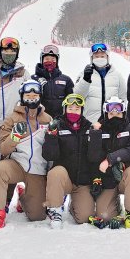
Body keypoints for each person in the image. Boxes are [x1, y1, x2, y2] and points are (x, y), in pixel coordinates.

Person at [0, 80, 52, 229]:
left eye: (35, 95)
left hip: (37, 168)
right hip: (16, 164)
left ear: (40, 96)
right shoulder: (12, 118)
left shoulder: (47, 119)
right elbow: (3, 149)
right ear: (22, 97)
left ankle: (23, 198)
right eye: (27, 95)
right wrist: (15, 136)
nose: (31, 98)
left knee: (37, 216)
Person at [87, 96, 130, 229]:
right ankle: (116, 205)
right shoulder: (98, 129)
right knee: (104, 215)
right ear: (105, 113)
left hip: (126, 176)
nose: (115, 116)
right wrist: (95, 134)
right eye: (111, 113)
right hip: (108, 179)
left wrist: (111, 159)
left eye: (118, 113)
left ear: (123, 112)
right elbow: (93, 157)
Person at [42, 94, 95, 228]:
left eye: (77, 109)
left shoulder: (89, 128)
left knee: (83, 218)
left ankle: (74, 205)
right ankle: (55, 210)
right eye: (70, 108)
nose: (73, 112)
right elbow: (49, 155)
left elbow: (94, 156)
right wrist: (51, 136)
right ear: (65, 109)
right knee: (56, 172)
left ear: (82, 110)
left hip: (82, 182)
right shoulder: (57, 125)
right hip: (63, 179)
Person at [74, 43, 127, 124]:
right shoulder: (84, 74)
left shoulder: (117, 75)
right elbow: (77, 97)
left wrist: (122, 118)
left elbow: (123, 98)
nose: (99, 58)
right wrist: (85, 80)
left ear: (107, 57)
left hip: (112, 122)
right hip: (90, 122)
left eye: (102, 56)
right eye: (96, 56)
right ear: (92, 58)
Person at [32, 44, 74, 118]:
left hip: (60, 122)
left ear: (57, 61)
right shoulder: (33, 79)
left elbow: (72, 102)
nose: (50, 62)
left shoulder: (66, 80)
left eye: (53, 59)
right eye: (47, 59)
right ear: (42, 60)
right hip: (39, 121)